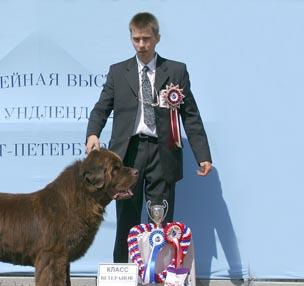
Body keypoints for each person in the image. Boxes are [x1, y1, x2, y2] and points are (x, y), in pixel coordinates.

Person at [85, 12, 212, 263]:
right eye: (136, 39)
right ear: (131, 39)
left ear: (157, 38)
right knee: (127, 220)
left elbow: (191, 117)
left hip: (162, 154)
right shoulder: (118, 72)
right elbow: (101, 108)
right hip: (127, 155)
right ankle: (123, 278)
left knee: (161, 219)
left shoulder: (176, 71)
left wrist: (203, 156)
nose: (141, 45)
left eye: (146, 39)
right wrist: (92, 133)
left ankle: (159, 283)